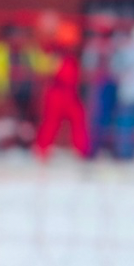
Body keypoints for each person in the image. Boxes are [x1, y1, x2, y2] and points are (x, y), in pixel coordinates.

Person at [33, 16, 90, 161]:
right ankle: (42, 151)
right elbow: (47, 68)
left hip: (70, 93)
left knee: (78, 119)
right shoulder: (53, 51)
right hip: (57, 92)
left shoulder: (70, 55)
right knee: (51, 122)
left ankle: (81, 152)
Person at [110, 23, 134, 160]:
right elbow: (115, 69)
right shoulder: (126, 50)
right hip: (129, 94)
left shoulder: (127, 50)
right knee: (127, 125)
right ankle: (126, 154)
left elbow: (115, 68)